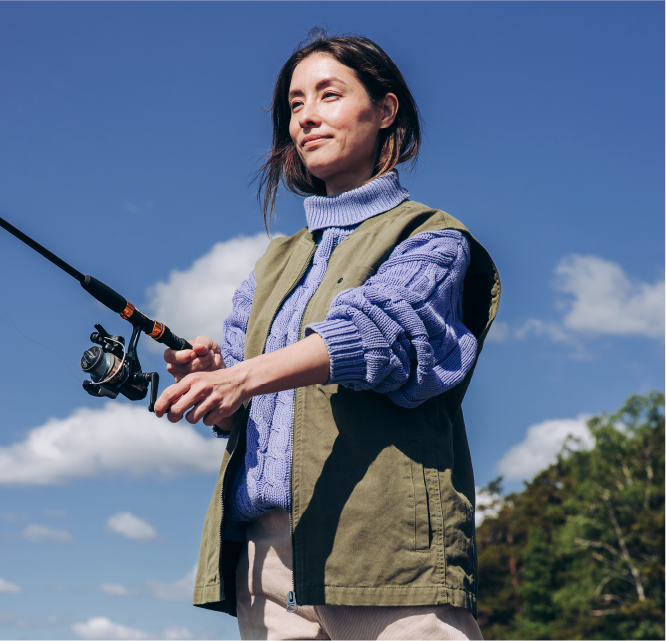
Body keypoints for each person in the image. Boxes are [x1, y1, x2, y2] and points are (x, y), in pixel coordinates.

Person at [154, 30, 500, 641]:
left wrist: (244, 374)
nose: (307, 117)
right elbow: (242, 411)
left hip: (386, 550)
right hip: (266, 563)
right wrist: (214, 380)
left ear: (385, 110)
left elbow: (378, 335)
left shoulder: (432, 239)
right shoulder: (270, 265)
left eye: (329, 95)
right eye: (294, 104)